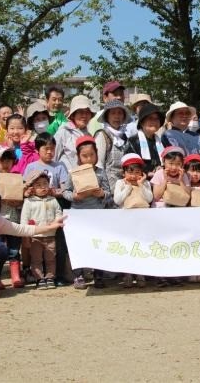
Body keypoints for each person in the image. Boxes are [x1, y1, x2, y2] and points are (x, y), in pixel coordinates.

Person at [62, 137, 112, 289]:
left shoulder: (101, 173)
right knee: (79, 245)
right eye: (85, 156)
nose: (89, 158)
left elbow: (109, 192)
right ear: (78, 157)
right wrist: (75, 197)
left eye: (92, 154)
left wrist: (102, 194)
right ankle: (79, 276)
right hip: (78, 215)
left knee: (98, 244)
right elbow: (65, 191)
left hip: (97, 215)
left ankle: (99, 275)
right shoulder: (74, 173)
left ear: (97, 154)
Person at [0, 145, 25, 288]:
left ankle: (15, 276)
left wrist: (19, 200)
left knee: (14, 248)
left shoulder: (17, 178)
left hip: (14, 218)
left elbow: (21, 200)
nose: (6, 163)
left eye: (9, 159)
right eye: (2, 160)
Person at [112, 154, 151, 288]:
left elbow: (149, 199)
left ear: (142, 172)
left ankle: (141, 274)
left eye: (137, 172)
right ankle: (127, 275)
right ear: (124, 172)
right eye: (130, 172)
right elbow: (117, 200)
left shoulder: (145, 183)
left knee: (141, 247)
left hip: (142, 220)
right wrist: (128, 187)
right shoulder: (120, 183)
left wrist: (141, 185)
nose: (134, 175)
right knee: (128, 247)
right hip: (126, 220)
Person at [20, 170, 63, 289]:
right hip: (35, 236)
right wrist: (26, 235)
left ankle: (50, 277)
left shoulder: (53, 200)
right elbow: (24, 218)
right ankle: (39, 278)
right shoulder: (29, 201)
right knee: (36, 259)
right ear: (32, 188)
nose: (43, 187)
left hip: (50, 235)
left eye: (45, 184)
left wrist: (56, 221)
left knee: (50, 258)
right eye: (38, 185)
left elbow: (59, 213)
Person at [94, 99, 131, 191]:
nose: (117, 116)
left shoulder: (124, 136)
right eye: (113, 113)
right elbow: (99, 165)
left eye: (119, 113)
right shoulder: (102, 135)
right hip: (108, 188)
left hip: (124, 186)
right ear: (107, 116)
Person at [127, 103, 170, 175]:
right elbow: (129, 166)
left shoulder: (162, 142)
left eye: (156, 119)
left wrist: (161, 168)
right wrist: (147, 173)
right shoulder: (133, 142)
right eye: (150, 118)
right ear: (142, 122)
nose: (154, 122)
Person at [54, 95, 95, 171]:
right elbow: (53, 158)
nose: (84, 116)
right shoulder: (63, 132)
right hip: (65, 180)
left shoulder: (89, 136)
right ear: (73, 114)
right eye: (80, 112)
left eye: (87, 112)